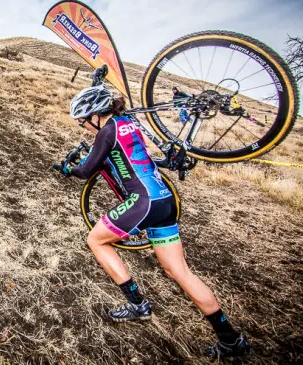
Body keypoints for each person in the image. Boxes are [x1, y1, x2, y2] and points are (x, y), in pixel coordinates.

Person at [57, 83, 250, 358]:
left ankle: (136, 303)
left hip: (143, 202)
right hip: (164, 201)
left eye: (84, 122)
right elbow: (136, 157)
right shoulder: (129, 123)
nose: (85, 128)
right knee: (179, 271)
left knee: (96, 240)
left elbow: (87, 170)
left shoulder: (107, 131)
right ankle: (231, 340)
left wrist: (68, 168)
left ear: (96, 115)